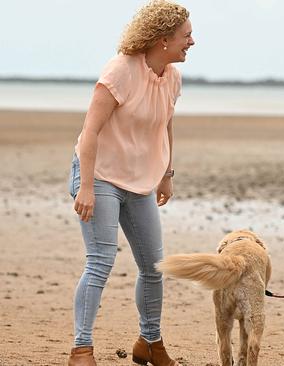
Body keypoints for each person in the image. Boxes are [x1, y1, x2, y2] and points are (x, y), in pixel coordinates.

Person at [67, 1, 194, 365]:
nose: (192, 42)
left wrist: (166, 173)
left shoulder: (172, 76)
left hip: (140, 181)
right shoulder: (120, 70)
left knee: (155, 266)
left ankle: (149, 343)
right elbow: (90, 131)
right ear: (162, 39)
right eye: (186, 36)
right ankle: (81, 349)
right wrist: (86, 186)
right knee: (100, 261)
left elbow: (165, 124)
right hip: (100, 175)